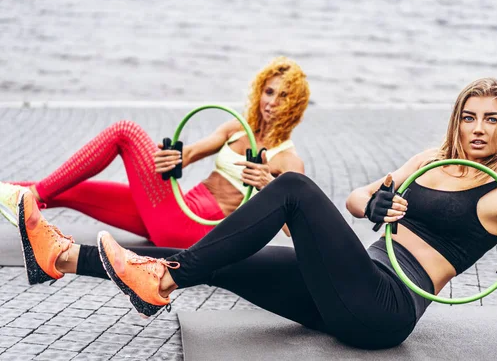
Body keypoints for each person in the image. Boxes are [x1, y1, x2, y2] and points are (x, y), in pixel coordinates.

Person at [7, 78, 497, 350]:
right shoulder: (431, 158)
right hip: (355, 277)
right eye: (469, 116)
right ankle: (62, 257)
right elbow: (358, 201)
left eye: (490, 120)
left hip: (387, 308)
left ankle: (164, 279)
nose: (477, 128)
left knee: (292, 187)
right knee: (223, 256)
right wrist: (376, 202)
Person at [0, 56, 310, 248]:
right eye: (269, 92)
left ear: (293, 105)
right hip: (179, 208)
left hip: (196, 231)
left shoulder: (287, 158)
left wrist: (266, 186)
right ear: (259, 92)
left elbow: (292, 229)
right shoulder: (236, 128)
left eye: (283, 96)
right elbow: (185, 156)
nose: (272, 102)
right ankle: (15, 194)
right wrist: (170, 159)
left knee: (126, 132)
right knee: (74, 191)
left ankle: (28, 196)